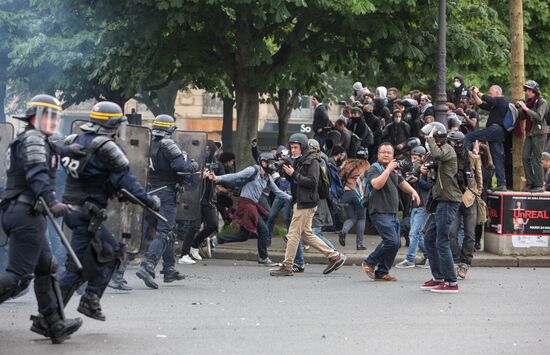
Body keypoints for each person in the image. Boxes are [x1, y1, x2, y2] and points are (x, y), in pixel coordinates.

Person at [55, 101, 160, 321]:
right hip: (87, 213)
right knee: (78, 267)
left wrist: (110, 188)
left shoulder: (73, 140)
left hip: (73, 211)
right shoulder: (106, 147)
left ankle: (88, 301)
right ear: (112, 124)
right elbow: (127, 179)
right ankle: (52, 317)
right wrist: (149, 201)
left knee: (109, 253)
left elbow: (91, 176)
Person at [0, 95, 82, 343]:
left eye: (56, 116)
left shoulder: (33, 138)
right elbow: (37, 173)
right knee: (19, 277)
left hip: (23, 211)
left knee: (47, 268)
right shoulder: (34, 139)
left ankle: (54, 323)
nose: (54, 121)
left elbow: (52, 148)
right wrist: (52, 201)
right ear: (35, 117)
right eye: (49, 116)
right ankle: (54, 322)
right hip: (27, 212)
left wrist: (69, 148)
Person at [270, 133, 347, 276]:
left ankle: (287, 266)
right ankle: (335, 256)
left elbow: (312, 182)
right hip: (302, 201)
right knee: (306, 234)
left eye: (295, 147)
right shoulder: (302, 159)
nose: (293, 150)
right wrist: (288, 173)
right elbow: (296, 182)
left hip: (306, 202)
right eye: (291, 147)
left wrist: (294, 174)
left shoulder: (313, 161)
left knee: (293, 234)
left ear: (303, 147)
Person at [136, 115, 198, 290]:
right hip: (165, 193)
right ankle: (148, 264)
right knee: (166, 230)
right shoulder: (168, 144)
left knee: (169, 231)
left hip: (149, 192)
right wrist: (192, 166)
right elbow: (181, 168)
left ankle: (169, 268)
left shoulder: (147, 143)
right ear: (170, 129)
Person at [209, 153, 290, 266]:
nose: (273, 165)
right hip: (246, 205)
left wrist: (292, 198)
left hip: (252, 205)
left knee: (243, 236)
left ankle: (215, 240)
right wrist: (218, 178)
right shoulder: (253, 170)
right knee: (264, 230)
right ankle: (263, 258)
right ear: (262, 162)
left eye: (273, 163)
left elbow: (277, 191)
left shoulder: (267, 176)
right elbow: (236, 175)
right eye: (270, 163)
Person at [361, 142, 421, 281]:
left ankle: (382, 272)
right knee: (391, 241)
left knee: (396, 243)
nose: (386, 154)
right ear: (378, 154)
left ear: (393, 155)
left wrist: (413, 192)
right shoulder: (374, 169)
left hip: (392, 212)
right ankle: (369, 262)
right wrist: (387, 169)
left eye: (389, 152)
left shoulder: (394, 170)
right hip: (379, 211)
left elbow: (401, 183)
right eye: (383, 152)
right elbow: (376, 184)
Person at [420, 123, 462, 293]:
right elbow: (427, 162)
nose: (426, 140)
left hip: (448, 201)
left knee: (441, 241)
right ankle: (438, 277)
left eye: (428, 137)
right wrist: (421, 167)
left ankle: (451, 282)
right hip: (440, 201)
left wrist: (429, 140)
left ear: (435, 137)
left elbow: (437, 154)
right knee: (429, 238)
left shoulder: (447, 150)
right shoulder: (440, 151)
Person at [178, 141, 224, 264]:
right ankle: (184, 254)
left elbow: (221, 178)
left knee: (213, 225)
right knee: (194, 226)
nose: (208, 151)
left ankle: (194, 246)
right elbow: (188, 178)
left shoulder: (215, 163)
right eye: (206, 149)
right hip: (196, 199)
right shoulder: (196, 161)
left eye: (210, 149)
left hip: (208, 200)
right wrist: (201, 176)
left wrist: (215, 178)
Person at [447, 132, 483, 280]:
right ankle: (456, 261)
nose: (455, 146)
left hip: (469, 199)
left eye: (457, 143)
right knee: (452, 233)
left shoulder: (472, 157)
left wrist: (477, 193)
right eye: (453, 143)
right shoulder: (448, 157)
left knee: (470, 234)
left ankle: (464, 264)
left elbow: (479, 177)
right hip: (453, 199)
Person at [465, 85, 508, 191]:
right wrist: (475, 95)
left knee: (469, 136)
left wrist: (478, 92)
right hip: (496, 132)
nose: (489, 94)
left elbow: (489, 99)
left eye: (490, 92)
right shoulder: (495, 104)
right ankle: (501, 183)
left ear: (497, 92)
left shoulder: (501, 100)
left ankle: (465, 159)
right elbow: (482, 105)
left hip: (496, 129)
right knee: (497, 157)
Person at [395, 146, 432, 268]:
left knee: (414, 233)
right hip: (414, 205)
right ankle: (429, 257)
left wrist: (418, 180)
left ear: (422, 158)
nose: (413, 160)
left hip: (423, 205)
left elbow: (430, 186)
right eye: (412, 158)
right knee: (418, 235)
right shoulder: (414, 169)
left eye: (416, 158)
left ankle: (410, 259)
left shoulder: (427, 169)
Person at [517, 80, 548, 192]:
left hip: (539, 133)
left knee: (537, 159)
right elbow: (522, 117)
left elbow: (539, 116)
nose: (527, 92)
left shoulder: (542, 101)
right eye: (526, 89)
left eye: (529, 90)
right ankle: (531, 182)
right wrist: (520, 108)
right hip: (530, 133)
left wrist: (525, 108)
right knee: (525, 157)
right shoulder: (529, 102)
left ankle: (539, 185)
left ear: (535, 90)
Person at [338, 155, 370, 250]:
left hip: (347, 193)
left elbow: (339, 176)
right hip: (359, 193)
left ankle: (344, 231)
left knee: (351, 218)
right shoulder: (366, 164)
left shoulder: (348, 163)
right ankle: (359, 244)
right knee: (361, 218)